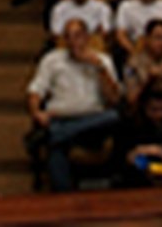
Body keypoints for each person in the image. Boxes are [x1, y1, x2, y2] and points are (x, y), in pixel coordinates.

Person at [27, 19, 121, 192]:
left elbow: (114, 99)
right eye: (68, 37)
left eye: (77, 36)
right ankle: (63, 198)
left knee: (114, 117)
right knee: (57, 149)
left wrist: (99, 68)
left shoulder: (102, 60)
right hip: (62, 118)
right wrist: (36, 112)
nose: (73, 41)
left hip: (94, 123)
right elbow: (35, 91)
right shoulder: (52, 60)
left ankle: (56, 135)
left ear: (86, 37)